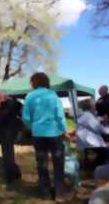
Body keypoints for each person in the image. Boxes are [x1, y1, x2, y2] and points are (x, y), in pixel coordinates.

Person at [22, 72, 69, 202]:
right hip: (55, 133)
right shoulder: (52, 95)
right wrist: (64, 130)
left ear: (34, 82)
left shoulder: (29, 96)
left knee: (42, 164)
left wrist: (33, 127)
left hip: (38, 134)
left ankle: (46, 193)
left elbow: (25, 118)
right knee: (58, 163)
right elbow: (60, 115)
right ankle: (59, 194)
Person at [77, 99, 109, 169]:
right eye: (94, 105)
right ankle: (97, 167)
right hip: (88, 142)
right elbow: (99, 129)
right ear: (90, 107)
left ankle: (92, 164)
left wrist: (100, 119)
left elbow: (93, 120)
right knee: (108, 148)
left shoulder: (84, 114)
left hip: (82, 140)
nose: (96, 107)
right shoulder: (88, 116)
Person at [0, 91, 22, 185]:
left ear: (2, 97)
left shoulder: (6, 106)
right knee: (10, 154)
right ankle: (15, 173)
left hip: (5, 133)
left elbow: (1, 118)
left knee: (7, 156)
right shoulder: (16, 104)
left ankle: (10, 176)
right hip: (12, 132)